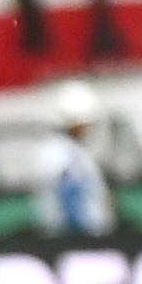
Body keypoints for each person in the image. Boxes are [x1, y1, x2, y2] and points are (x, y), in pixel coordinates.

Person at [34, 80, 117, 235]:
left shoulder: (67, 150)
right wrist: (82, 235)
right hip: (78, 237)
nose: (89, 129)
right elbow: (70, 197)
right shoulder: (62, 154)